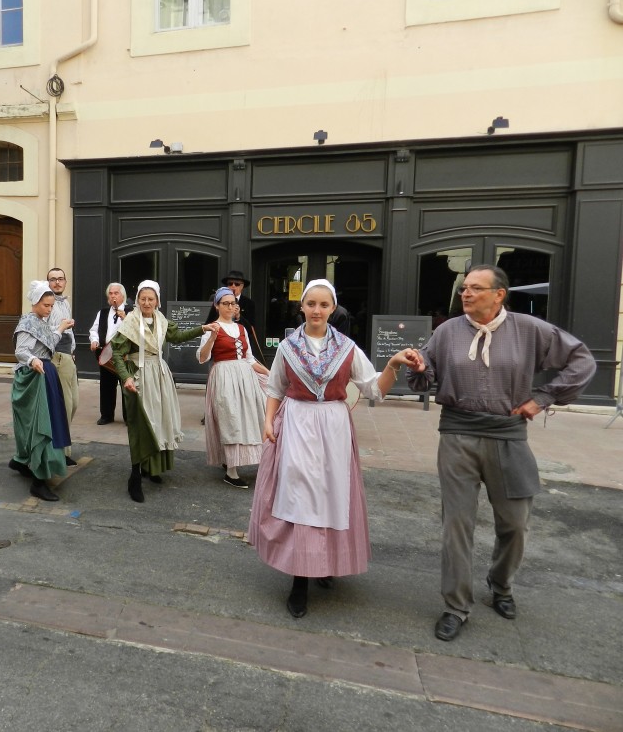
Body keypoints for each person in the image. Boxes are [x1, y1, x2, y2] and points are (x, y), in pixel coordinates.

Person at [407, 264, 596, 642]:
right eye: (464, 288)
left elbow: (583, 361)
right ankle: (455, 606)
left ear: (499, 295)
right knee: (456, 525)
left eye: (476, 288)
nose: (466, 293)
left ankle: (501, 584)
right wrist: (420, 365)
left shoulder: (529, 330)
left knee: (515, 522)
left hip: (509, 435)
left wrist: (542, 398)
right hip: (458, 433)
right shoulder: (446, 331)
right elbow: (424, 377)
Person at [248, 279, 422, 618]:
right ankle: (300, 581)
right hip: (297, 422)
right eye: (310, 303)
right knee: (299, 496)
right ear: (302, 307)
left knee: (331, 495)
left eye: (323, 305)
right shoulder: (288, 347)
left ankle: (324, 564)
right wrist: (268, 421)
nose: (316, 310)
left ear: (333, 308)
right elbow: (275, 387)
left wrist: (394, 364)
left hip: (334, 426)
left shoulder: (347, 347)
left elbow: (373, 389)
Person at [110, 280, 219, 503]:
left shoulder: (161, 320)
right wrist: (126, 378)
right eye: (143, 299)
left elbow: (176, 337)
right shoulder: (130, 322)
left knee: (159, 421)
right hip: (138, 375)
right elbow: (116, 355)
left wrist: (202, 328)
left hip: (159, 374)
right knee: (141, 425)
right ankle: (135, 476)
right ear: (137, 300)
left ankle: (152, 467)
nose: (147, 302)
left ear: (157, 300)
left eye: (151, 299)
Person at [8, 280, 75, 502]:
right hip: (35, 377)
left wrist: (61, 329)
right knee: (42, 427)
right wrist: (33, 360)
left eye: (51, 305)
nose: (49, 309)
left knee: (48, 423)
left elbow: (47, 344)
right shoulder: (28, 322)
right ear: (36, 303)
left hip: (46, 374)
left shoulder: (41, 321)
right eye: (46, 305)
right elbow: (22, 351)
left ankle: (21, 460)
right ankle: (39, 482)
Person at [197, 287, 270, 488]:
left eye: (233, 303)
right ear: (217, 305)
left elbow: (249, 359)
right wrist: (212, 337)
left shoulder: (241, 328)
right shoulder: (212, 328)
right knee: (231, 419)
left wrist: (270, 374)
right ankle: (231, 471)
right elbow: (203, 358)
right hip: (223, 376)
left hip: (245, 378)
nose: (230, 307)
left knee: (253, 417)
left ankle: (250, 461)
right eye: (226, 303)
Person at [46, 267, 79, 465]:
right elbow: (40, 330)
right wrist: (61, 328)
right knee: (63, 406)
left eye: (60, 279)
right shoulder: (46, 303)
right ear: (47, 282)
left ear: (65, 282)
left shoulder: (64, 302)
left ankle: (62, 448)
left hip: (67, 356)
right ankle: (62, 453)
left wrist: (73, 350)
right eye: (53, 279)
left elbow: (70, 332)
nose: (57, 282)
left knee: (73, 404)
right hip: (55, 355)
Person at [88, 282, 132, 425]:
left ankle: (129, 417)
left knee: (127, 386)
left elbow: (136, 331)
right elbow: (94, 330)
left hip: (124, 357)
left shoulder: (131, 312)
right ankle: (106, 415)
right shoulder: (103, 312)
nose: (113, 296)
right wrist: (94, 340)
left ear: (123, 296)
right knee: (106, 386)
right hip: (106, 356)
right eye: (110, 293)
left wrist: (125, 318)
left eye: (116, 293)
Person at [204, 269, 263, 359]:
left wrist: (239, 317)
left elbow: (251, 329)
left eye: (237, 284)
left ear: (242, 286)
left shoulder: (249, 303)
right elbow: (208, 323)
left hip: (241, 349)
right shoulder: (218, 301)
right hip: (222, 348)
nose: (233, 286)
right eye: (230, 284)